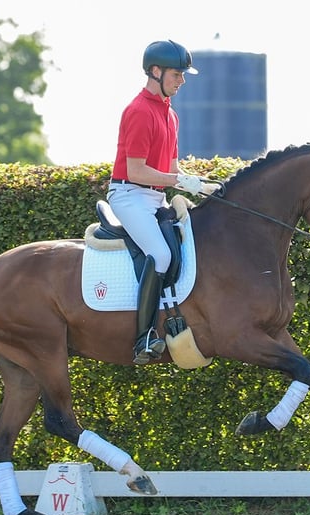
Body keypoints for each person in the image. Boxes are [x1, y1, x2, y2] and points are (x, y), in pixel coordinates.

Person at [107, 39, 205, 365]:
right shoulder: (138, 111)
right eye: (177, 74)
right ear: (156, 71)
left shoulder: (171, 116)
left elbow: (171, 172)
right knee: (160, 254)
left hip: (154, 197)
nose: (182, 80)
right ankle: (143, 338)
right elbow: (136, 171)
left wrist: (199, 184)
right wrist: (179, 181)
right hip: (129, 195)